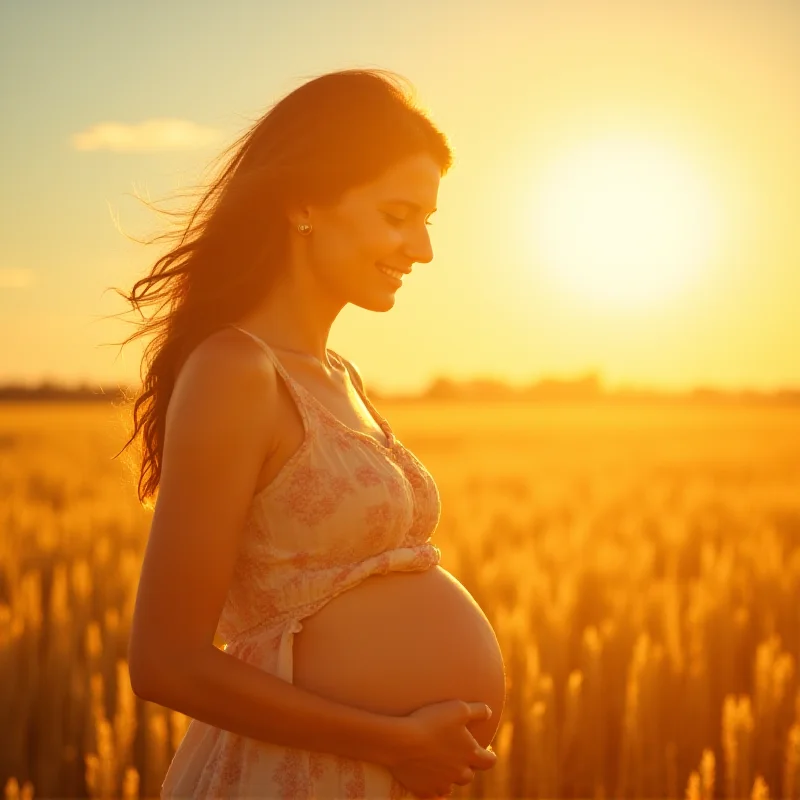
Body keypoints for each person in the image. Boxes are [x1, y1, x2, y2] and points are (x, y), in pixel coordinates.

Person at [117, 68, 500, 799]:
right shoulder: (237, 369)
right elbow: (164, 660)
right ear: (303, 203)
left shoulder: (338, 374)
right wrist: (395, 739)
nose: (422, 249)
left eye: (429, 220)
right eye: (397, 213)